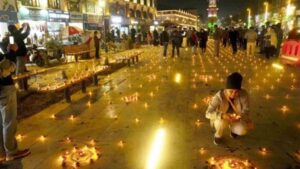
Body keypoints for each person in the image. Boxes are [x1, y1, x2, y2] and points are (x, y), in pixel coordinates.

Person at [0, 44, 31, 162]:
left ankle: (2, 152)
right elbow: (8, 69)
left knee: (2, 122)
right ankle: (11, 152)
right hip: (4, 89)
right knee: (9, 121)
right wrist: (11, 52)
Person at [205, 72, 252, 145]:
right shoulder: (219, 96)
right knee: (220, 123)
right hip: (222, 118)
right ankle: (218, 135)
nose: (233, 94)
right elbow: (207, 113)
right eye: (231, 91)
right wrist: (222, 115)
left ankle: (234, 131)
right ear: (226, 89)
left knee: (242, 130)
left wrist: (240, 116)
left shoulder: (244, 94)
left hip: (236, 118)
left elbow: (246, 110)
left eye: (236, 92)